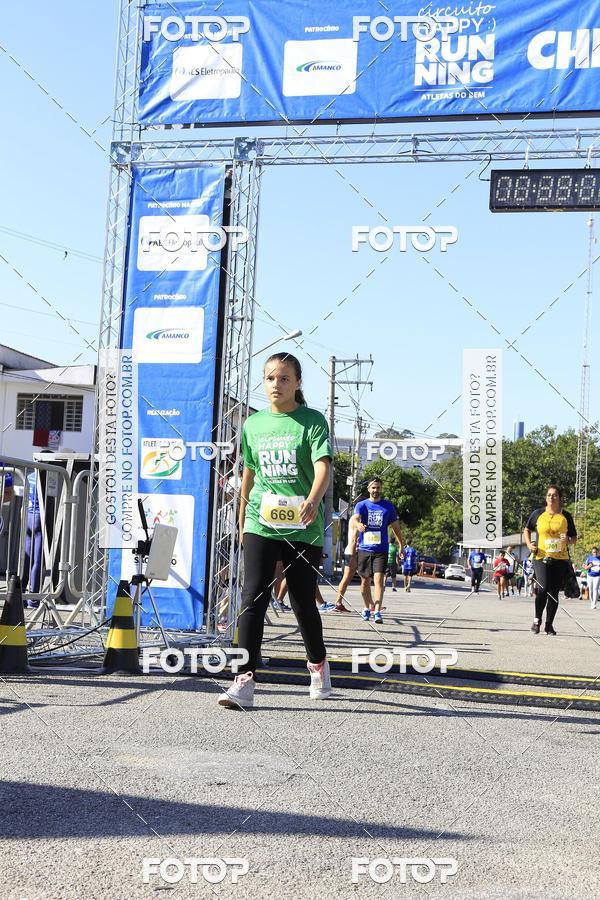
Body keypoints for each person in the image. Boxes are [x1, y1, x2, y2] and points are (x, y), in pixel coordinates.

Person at [219, 353, 333, 710]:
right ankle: (243, 680)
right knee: (252, 597)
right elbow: (249, 475)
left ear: (298, 383)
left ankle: (318, 665)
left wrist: (314, 499)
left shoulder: (312, 421)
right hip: (260, 521)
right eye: (270, 378)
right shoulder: (253, 425)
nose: (276, 385)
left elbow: (323, 465)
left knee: (302, 602)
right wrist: (242, 518)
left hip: (301, 523)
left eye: (284, 378)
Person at [523, 485, 577, 635]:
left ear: (559, 498)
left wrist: (567, 539)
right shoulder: (538, 514)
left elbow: (574, 539)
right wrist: (529, 545)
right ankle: (537, 620)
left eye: (554, 495)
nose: (551, 497)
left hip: (560, 558)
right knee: (543, 589)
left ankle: (549, 624)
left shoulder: (566, 516)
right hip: (541, 556)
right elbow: (527, 529)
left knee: (553, 592)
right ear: (545, 497)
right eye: (549, 495)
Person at [351, 477, 404, 625]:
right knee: (364, 582)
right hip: (364, 549)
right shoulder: (362, 505)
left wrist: (401, 545)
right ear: (368, 489)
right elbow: (354, 519)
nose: (375, 490)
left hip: (381, 549)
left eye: (378, 488)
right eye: (373, 488)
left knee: (379, 581)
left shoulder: (388, 507)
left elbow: (396, 528)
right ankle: (367, 607)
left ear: (381, 489)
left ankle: (377, 611)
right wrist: (358, 525)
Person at [333, 520, 356, 612]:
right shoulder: (357, 519)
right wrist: (353, 555)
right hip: (353, 552)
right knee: (347, 578)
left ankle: (338, 602)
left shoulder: (355, 518)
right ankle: (338, 603)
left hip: (352, 551)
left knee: (364, 578)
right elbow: (355, 538)